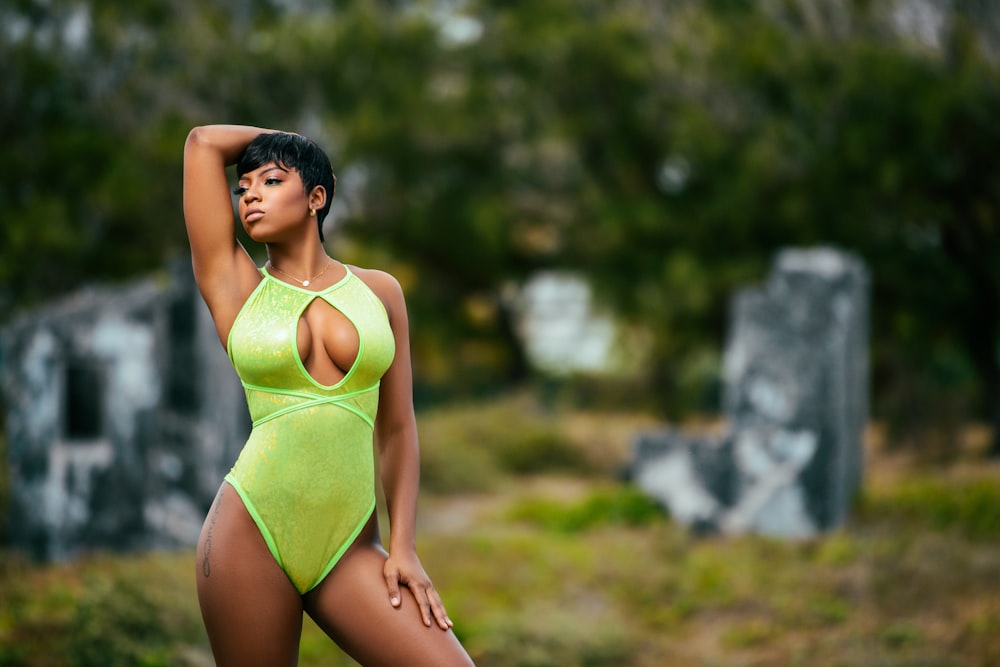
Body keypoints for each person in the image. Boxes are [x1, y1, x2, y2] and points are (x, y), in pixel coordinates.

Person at [183, 124, 474, 667]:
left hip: (350, 546)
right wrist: (287, 142)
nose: (249, 194)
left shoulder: (380, 291)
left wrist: (404, 545)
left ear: (316, 197)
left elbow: (397, 427)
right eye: (242, 186)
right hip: (251, 534)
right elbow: (202, 143)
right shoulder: (237, 287)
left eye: (270, 180)